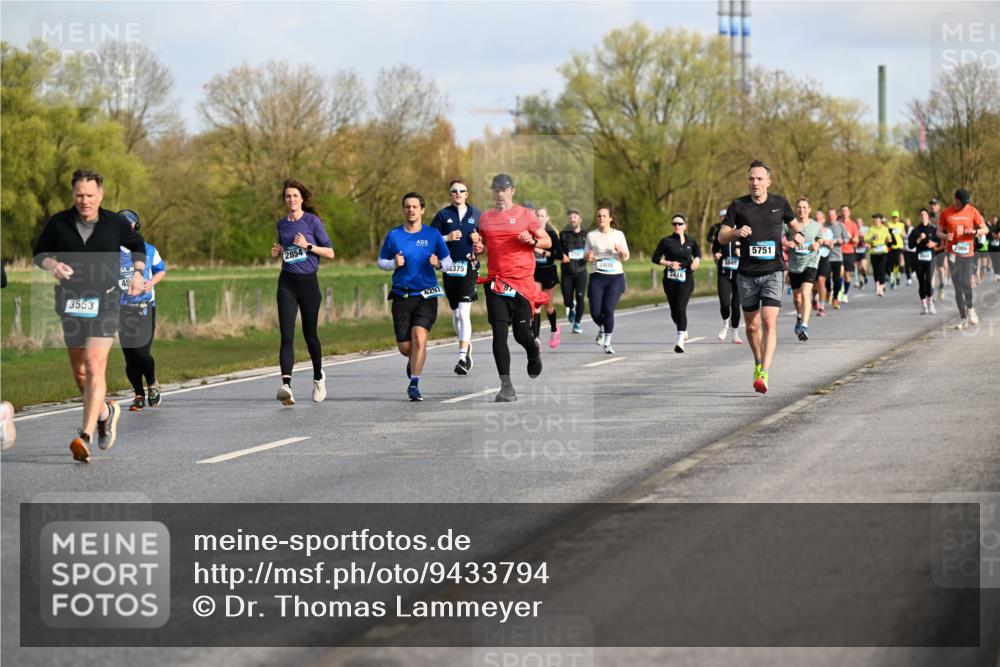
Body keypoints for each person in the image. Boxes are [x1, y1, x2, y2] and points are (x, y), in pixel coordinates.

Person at [32, 169, 148, 463]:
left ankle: (84, 436)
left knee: (94, 364)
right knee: (80, 373)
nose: (84, 201)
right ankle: (106, 413)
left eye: (90, 196)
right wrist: (52, 265)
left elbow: (137, 246)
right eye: (79, 195)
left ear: (101, 195)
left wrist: (136, 274)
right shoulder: (59, 222)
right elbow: (39, 252)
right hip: (71, 302)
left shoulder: (115, 223)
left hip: (106, 300)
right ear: (73, 195)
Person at [717, 160, 799, 394]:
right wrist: (735, 232)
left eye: (759, 179)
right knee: (752, 327)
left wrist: (800, 234)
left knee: (768, 321)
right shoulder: (738, 206)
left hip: (773, 271)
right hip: (747, 274)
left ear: (768, 182)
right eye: (751, 179)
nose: (755, 183)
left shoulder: (780, 203)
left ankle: (764, 372)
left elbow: (793, 225)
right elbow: (722, 237)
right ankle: (757, 362)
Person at [471, 174, 550, 402]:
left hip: (522, 284)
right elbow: (483, 246)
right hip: (497, 283)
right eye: (496, 189)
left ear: (512, 191)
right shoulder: (485, 218)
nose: (500, 193)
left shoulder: (526, 215)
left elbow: (547, 242)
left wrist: (533, 241)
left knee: (521, 334)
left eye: (504, 189)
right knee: (498, 334)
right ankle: (506, 386)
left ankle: (532, 351)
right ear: (492, 192)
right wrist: (478, 247)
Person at [377, 192, 452, 401]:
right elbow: (381, 261)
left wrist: (438, 263)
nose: (411, 210)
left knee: (419, 337)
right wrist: (393, 264)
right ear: (403, 210)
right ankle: (413, 360)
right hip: (402, 295)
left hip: (427, 295)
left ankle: (414, 383)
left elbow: (448, 262)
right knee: (405, 347)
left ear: (422, 210)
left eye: (414, 207)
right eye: (407, 207)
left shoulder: (433, 235)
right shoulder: (394, 236)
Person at [270, 179, 335, 405]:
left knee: (310, 336)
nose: (291, 199)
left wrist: (308, 246)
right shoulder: (281, 224)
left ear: (302, 198)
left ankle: (318, 377)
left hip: (308, 284)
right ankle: (286, 385)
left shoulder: (312, 221)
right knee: (286, 335)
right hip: (287, 282)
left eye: (295, 196)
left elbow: (330, 252)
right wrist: (279, 250)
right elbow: (286, 247)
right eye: (288, 196)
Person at [116, 209, 166, 411]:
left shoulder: (149, 250)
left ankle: (152, 383)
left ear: (135, 227)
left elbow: (161, 269)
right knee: (129, 357)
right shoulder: (111, 252)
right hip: (122, 309)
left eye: (128, 224)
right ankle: (138, 393)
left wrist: (151, 283)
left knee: (141, 352)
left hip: (145, 307)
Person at [430, 178, 481, 375]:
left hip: (469, 267)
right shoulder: (443, 215)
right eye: (454, 191)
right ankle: (466, 345)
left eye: (462, 190)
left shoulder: (476, 214)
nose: (458, 193)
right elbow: (430, 240)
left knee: (463, 312)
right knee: (455, 312)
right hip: (449, 268)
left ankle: (461, 357)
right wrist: (447, 238)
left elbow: (484, 243)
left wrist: (479, 242)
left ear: (467, 194)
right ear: (450, 195)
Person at [937, 188, 988, 329]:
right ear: (956, 200)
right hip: (952, 254)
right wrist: (945, 236)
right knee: (958, 288)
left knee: (966, 284)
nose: (965, 205)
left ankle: (970, 308)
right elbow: (938, 232)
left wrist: (975, 231)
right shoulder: (946, 213)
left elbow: (985, 229)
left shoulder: (972, 211)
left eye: (967, 203)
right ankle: (963, 318)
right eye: (962, 203)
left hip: (968, 253)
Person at [585, 205, 630, 355]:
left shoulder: (619, 235)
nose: (601, 218)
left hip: (615, 277)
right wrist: (588, 257)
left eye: (604, 216)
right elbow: (586, 255)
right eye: (599, 216)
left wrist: (620, 251)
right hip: (597, 275)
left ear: (610, 218)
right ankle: (603, 328)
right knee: (595, 312)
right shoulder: (591, 236)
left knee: (608, 310)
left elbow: (626, 256)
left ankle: (608, 342)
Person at [653, 214, 700, 352]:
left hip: (686, 278)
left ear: (685, 225)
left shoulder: (691, 241)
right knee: (674, 311)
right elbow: (655, 258)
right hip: (670, 279)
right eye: (674, 224)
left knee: (680, 307)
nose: (677, 226)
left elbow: (698, 254)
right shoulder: (666, 241)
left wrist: (697, 261)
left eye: (680, 223)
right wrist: (669, 263)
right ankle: (682, 328)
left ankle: (680, 341)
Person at [784, 198, 821, 342]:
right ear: (795, 209)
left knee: (806, 294)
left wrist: (818, 244)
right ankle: (799, 316)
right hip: (794, 265)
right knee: (797, 297)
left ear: (809, 209)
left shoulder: (816, 225)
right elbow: (778, 239)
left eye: (805, 207)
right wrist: (789, 243)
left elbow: (820, 239)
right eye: (799, 207)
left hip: (810, 263)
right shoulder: (788, 226)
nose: (802, 210)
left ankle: (804, 327)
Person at [708, 208, 743, 343]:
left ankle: (735, 332)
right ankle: (725, 325)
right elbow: (715, 248)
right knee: (724, 303)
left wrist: (741, 254)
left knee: (736, 305)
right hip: (723, 272)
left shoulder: (742, 233)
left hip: (739, 275)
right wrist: (716, 254)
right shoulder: (720, 233)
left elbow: (750, 251)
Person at [531, 208, 564, 348]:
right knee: (536, 305)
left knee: (548, 307)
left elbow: (560, 255)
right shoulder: (531, 233)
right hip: (535, 273)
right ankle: (536, 339)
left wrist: (542, 252)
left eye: (542, 215)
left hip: (549, 272)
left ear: (547, 218)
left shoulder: (551, 234)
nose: (539, 217)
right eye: (537, 215)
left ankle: (554, 329)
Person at [559, 209, 588, 334]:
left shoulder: (586, 235)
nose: (572, 219)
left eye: (575, 217)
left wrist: (590, 255)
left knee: (580, 298)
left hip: (581, 271)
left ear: (580, 219)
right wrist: (561, 255)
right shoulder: (563, 234)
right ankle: (571, 307)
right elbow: (557, 249)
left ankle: (577, 323)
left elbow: (592, 249)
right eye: (570, 217)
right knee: (567, 299)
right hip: (567, 272)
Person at [908, 208, 939, 314]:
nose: (923, 216)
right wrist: (919, 239)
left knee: (929, 281)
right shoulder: (915, 230)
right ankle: (924, 305)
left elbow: (940, 241)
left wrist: (934, 244)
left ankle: (931, 303)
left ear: (928, 217)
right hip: (919, 259)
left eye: (925, 214)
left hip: (931, 258)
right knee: (921, 283)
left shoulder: (933, 229)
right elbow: (910, 245)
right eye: (921, 215)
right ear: (919, 217)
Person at [824, 208, 848, 309]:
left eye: (832, 215)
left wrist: (841, 240)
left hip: (837, 257)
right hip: (826, 256)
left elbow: (846, 239)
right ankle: (829, 290)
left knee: (836, 279)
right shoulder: (824, 226)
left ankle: (835, 298)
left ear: (835, 216)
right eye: (829, 215)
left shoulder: (840, 225)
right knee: (825, 277)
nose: (831, 217)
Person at [865, 213, 892, 297]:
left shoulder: (884, 228)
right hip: (874, 251)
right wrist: (872, 238)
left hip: (883, 251)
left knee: (882, 269)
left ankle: (881, 288)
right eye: (874, 218)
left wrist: (889, 239)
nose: (875, 220)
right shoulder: (871, 229)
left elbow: (889, 238)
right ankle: (877, 285)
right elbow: (866, 239)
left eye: (877, 218)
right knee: (876, 270)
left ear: (881, 220)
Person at [814, 210, 833, 317]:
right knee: (813, 284)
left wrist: (825, 242)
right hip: (812, 258)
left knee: (821, 281)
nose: (818, 221)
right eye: (816, 219)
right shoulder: (811, 231)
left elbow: (831, 245)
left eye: (820, 219)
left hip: (824, 258)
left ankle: (821, 307)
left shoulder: (828, 231)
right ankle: (814, 298)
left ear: (823, 220)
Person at [839, 205, 859, 301]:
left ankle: (845, 293)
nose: (844, 213)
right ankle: (839, 290)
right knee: (840, 273)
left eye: (846, 211)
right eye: (843, 211)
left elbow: (856, 240)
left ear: (849, 212)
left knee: (847, 275)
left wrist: (850, 237)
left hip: (849, 251)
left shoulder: (853, 224)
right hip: (838, 252)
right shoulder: (838, 224)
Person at [886, 210, 906, 289]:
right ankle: (892, 277)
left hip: (899, 245)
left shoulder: (901, 225)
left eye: (896, 217)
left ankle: (897, 274)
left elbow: (903, 234)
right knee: (891, 262)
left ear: (898, 217)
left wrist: (902, 234)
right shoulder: (889, 224)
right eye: (893, 217)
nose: (895, 219)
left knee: (897, 261)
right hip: (891, 247)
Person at [902, 216, 916, 286]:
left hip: (912, 249)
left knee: (912, 263)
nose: (907, 223)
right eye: (905, 222)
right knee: (907, 264)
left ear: (910, 223)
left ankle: (913, 271)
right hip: (905, 249)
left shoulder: (913, 229)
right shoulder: (902, 229)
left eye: (908, 222)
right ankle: (908, 279)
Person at [989, 216, 1000, 281]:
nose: (995, 221)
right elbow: (991, 235)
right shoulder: (991, 228)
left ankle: (998, 274)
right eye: (994, 219)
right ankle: (996, 275)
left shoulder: (998, 228)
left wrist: (996, 236)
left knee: (998, 260)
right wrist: (996, 236)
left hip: (998, 247)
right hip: (992, 247)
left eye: (996, 220)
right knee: (994, 261)